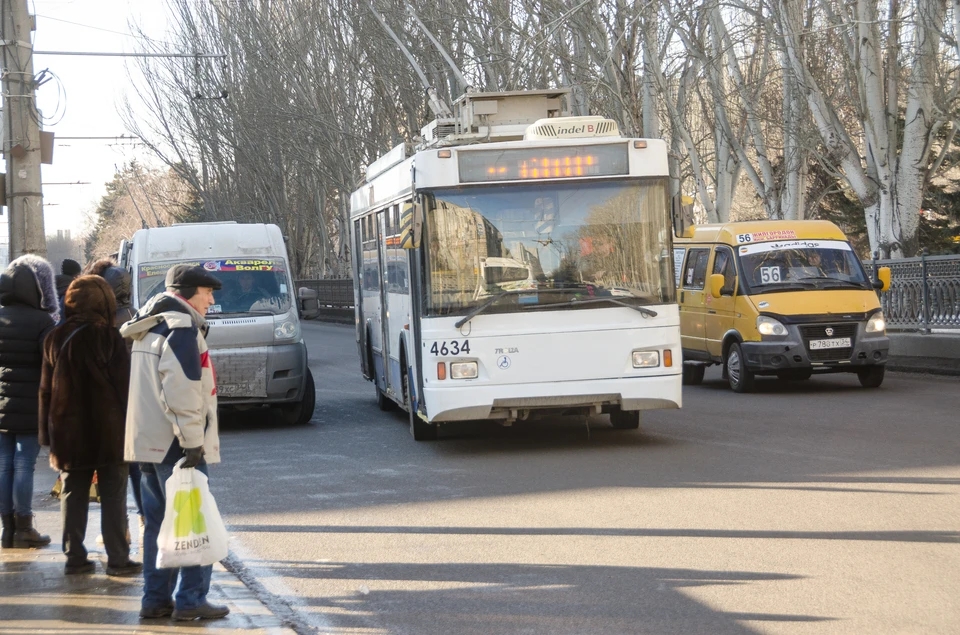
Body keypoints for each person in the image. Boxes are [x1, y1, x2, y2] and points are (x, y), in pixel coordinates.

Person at [121, 264, 229, 621]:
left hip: (149, 442)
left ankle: (155, 600)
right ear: (186, 293)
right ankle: (191, 598)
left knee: (157, 524)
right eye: (207, 293)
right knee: (193, 522)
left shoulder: (150, 325)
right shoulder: (181, 328)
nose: (211, 300)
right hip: (176, 445)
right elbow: (182, 391)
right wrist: (193, 443)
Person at [38, 275, 142, 576]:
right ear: (105, 303)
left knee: (73, 492)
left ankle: (74, 557)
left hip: (68, 432)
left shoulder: (54, 338)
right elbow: (125, 388)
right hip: (109, 432)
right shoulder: (108, 337)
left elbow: (45, 390)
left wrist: (46, 435)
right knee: (113, 493)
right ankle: (118, 559)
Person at [0, 254, 59, 549]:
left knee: (2, 464)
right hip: (30, 406)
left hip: (0, 406)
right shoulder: (42, 320)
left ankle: (6, 529)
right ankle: (24, 527)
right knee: (24, 465)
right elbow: (52, 362)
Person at [86, 259, 143, 542]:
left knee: (114, 470)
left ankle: (123, 528)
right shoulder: (137, 315)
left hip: (110, 402)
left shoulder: (100, 321)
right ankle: (148, 519)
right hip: (137, 398)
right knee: (138, 467)